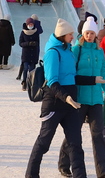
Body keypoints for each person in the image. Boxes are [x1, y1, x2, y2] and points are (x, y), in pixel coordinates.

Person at [25, 19, 88, 178]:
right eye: (70, 34)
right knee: (43, 143)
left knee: (75, 144)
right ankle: (31, 175)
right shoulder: (53, 52)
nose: (73, 37)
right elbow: (52, 81)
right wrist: (66, 97)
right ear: (62, 35)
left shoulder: (68, 51)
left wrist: (94, 79)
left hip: (70, 104)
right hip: (54, 103)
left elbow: (72, 77)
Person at [58, 16, 105, 178]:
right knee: (73, 134)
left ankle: (104, 172)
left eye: (92, 33)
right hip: (79, 100)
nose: (89, 36)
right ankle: (63, 164)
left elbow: (103, 74)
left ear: (96, 34)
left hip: (96, 99)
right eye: (87, 33)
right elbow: (71, 74)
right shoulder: (76, 50)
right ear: (83, 34)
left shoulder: (99, 51)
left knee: (98, 137)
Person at [19, 17, 42, 83]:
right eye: (29, 24)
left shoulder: (36, 32)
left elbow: (38, 43)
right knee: (25, 68)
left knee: (32, 70)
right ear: (27, 25)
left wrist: (34, 44)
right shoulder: (23, 32)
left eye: (32, 24)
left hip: (33, 54)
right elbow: (21, 43)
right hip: (26, 54)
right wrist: (28, 43)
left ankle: (31, 82)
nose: (31, 26)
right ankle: (24, 82)